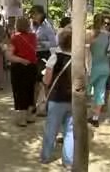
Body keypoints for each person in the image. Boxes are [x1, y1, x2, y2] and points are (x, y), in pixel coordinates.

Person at [41, 28, 73, 168]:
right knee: (70, 132)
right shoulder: (79, 59)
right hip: (73, 99)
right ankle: (68, 160)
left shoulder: (54, 57)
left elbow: (47, 81)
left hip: (56, 99)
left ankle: (46, 156)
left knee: (51, 129)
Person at [6, 17, 37, 126]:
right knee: (30, 90)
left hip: (19, 68)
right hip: (32, 67)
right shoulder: (33, 37)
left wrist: (22, 60)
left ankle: (22, 118)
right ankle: (30, 115)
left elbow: (9, 56)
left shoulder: (14, 38)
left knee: (20, 92)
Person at [30, 5, 57, 113]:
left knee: (44, 82)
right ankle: (32, 105)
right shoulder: (30, 25)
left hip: (43, 55)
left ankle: (47, 106)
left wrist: (42, 43)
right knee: (33, 82)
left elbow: (53, 42)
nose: (33, 16)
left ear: (41, 14)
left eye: (35, 14)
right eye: (32, 14)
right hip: (32, 55)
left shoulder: (47, 27)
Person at [87, 14, 110, 127]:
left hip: (93, 67)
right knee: (100, 93)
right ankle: (95, 118)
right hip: (105, 67)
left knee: (85, 92)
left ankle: (80, 116)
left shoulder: (91, 34)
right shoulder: (109, 36)